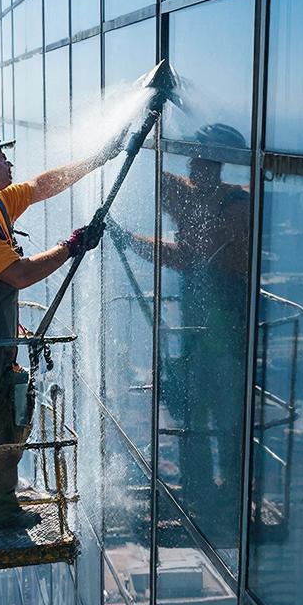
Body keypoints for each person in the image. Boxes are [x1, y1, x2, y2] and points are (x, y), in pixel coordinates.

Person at [0, 124, 124, 544]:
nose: (8, 163)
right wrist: (70, 246)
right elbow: (19, 274)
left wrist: (99, 156)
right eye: (1, 158)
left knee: (9, 427)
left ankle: (1, 512)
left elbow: (41, 185)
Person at [110, 123, 250, 543]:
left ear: (214, 163)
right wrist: (137, 141)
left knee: (220, 421)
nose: (191, 166)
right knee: (193, 419)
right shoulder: (211, 198)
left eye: (199, 158)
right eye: (190, 158)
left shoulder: (234, 207)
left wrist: (132, 240)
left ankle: (222, 502)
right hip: (200, 335)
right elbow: (170, 192)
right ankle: (204, 499)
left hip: (224, 336)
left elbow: (189, 256)